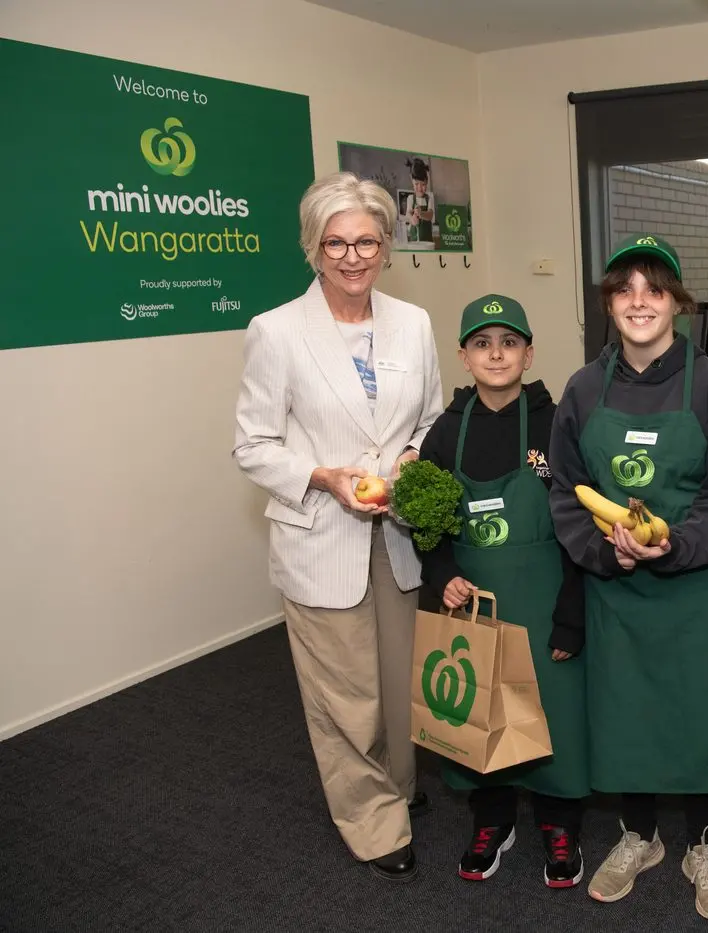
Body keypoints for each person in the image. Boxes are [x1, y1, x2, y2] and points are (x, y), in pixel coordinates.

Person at [233, 171, 444, 882]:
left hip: (397, 532)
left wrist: (413, 458)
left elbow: (432, 416)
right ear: (313, 249)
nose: (352, 257)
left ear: (386, 244)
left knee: (397, 676)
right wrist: (325, 477)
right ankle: (371, 818)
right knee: (344, 693)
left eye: (366, 241)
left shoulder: (412, 323)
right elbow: (253, 444)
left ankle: (401, 783)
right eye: (335, 244)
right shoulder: (277, 331)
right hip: (324, 531)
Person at [549, 234, 708, 921]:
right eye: (625, 289)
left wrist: (674, 545)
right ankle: (639, 834)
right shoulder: (581, 388)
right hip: (615, 588)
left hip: (695, 589)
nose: (639, 301)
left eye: (654, 288)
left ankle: (701, 843)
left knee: (699, 711)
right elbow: (565, 492)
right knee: (625, 713)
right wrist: (607, 552)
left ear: (676, 302)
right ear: (608, 303)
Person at [416, 294, 589, 889]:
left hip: (545, 595)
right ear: (463, 356)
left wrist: (572, 611)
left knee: (553, 712)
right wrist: (442, 575)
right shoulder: (444, 432)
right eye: (482, 344)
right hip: (474, 595)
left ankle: (558, 823)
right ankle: (491, 818)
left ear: (529, 353)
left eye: (509, 343)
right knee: (480, 705)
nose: (496, 354)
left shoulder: (558, 421)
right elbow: (427, 518)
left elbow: (581, 521)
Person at [407, 157, 435, 244]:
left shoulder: (429, 198)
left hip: (427, 241)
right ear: (412, 182)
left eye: (423, 184)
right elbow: (408, 214)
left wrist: (420, 213)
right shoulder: (411, 198)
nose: (419, 188)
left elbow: (430, 215)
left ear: (427, 182)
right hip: (414, 241)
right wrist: (412, 219)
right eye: (416, 184)